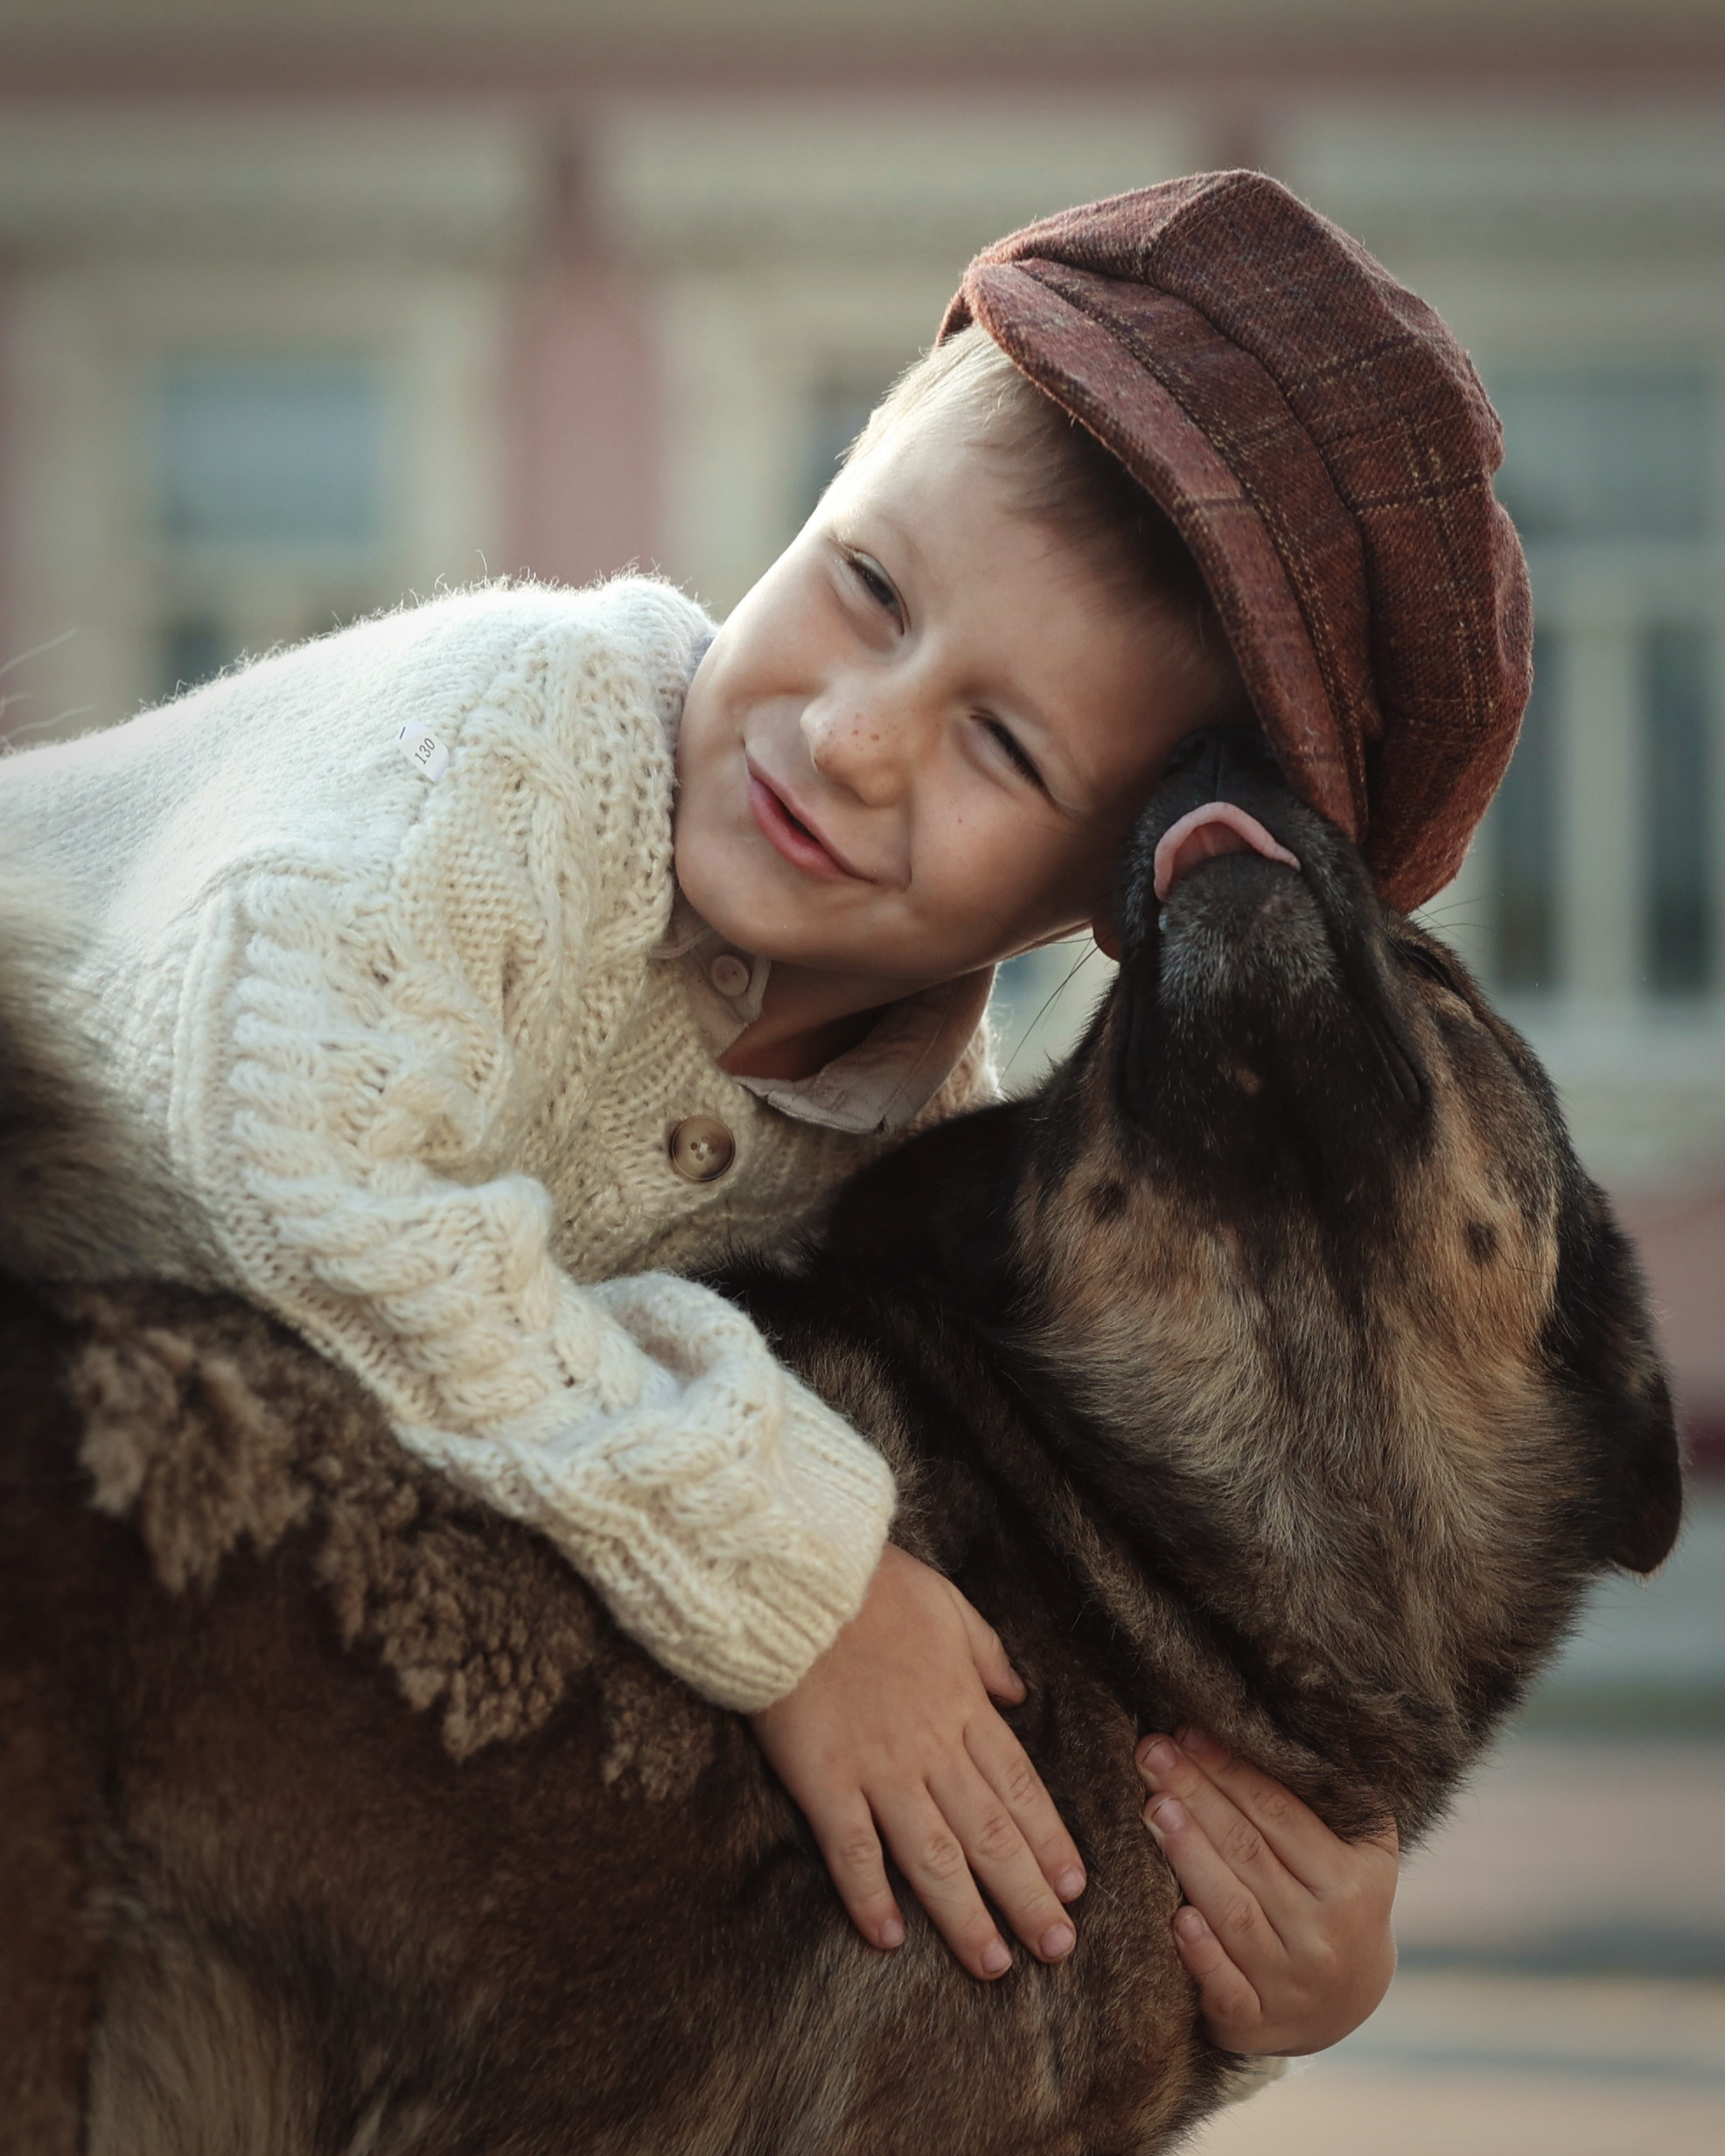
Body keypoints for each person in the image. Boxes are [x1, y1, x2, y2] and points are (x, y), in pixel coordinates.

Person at [0, 172, 1528, 2072]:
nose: (858, 728)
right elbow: (293, 1182)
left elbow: (1046, 1540)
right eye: (866, 584)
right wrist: (795, 1593)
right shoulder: (514, 743)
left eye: (1003, 746)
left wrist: (1311, 1890)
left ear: (1092, 892)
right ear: (820, 491)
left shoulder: (918, 1150)